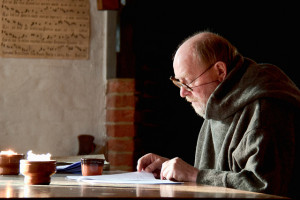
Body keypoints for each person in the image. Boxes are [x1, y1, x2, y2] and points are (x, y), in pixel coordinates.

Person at [136, 31, 299, 198]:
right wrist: (170, 170)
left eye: (188, 82)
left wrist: (194, 175)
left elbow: (264, 187)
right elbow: (218, 178)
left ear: (220, 71)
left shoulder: (265, 107)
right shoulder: (217, 101)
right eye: (178, 82)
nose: (182, 93)